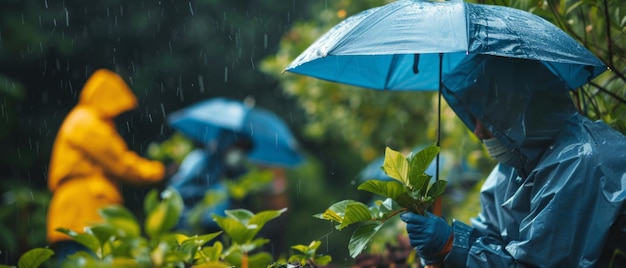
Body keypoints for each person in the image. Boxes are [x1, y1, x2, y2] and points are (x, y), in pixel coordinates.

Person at [400, 55, 626, 267]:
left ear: (513, 109)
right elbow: (488, 236)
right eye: (473, 117)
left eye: (485, 116)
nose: (477, 131)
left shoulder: (581, 162)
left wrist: (453, 245)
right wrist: (446, 252)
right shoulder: (515, 167)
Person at [46, 69, 167, 263]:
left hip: (76, 210)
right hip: (83, 211)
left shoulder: (82, 120)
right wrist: (159, 171)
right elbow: (121, 163)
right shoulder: (87, 123)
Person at [168, 130, 252, 234]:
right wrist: (207, 193)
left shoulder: (233, 171)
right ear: (226, 144)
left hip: (216, 230)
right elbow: (175, 190)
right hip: (189, 224)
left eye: (243, 150)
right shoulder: (201, 160)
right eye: (236, 147)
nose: (238, 153)